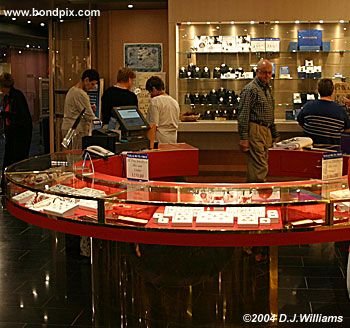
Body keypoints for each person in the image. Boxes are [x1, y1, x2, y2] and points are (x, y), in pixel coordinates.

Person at [237, 58, 279, 183]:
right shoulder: (251, 89)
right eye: (264, 72)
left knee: (261, 165)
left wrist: (274, 133)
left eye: (269, 73)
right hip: (256, 129)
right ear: (257, 72)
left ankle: (255, 193)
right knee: (259, 166)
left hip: (266, 131)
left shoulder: (267, 89)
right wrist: (244, 138)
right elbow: (243, 114)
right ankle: (257, 195)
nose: (267, 76)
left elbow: (270, 113)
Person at [0, 73, 32, 193]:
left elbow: (21, 117)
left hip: (19, 136)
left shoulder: (17, 96)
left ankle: (15, 187)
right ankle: (6, 187)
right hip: (12, 134)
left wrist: (5, 114)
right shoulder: (8, 97)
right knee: (8, 160)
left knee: (16, 161)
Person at [297, 78, 350, 147]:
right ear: (332, 90)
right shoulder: (340, 110)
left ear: (318, 90)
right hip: (332, 154)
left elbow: (300, 122)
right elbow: (347, 129)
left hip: (311, 152)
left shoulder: (308, 106)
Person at [61, 69, 100, 149]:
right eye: (92, 84)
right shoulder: (80, 94)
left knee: (71, 157)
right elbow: (90, 116)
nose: (92, 87)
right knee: (77, 157)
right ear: (86, 80)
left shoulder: (72, 90)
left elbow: (78, 109)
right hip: (77, 131)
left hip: (68, 128)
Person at [145, 76, 180, 144]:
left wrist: (150, 146)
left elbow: (153, 126)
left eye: (150, 92)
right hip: (173, 139)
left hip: (159, 140)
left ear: (154, 89)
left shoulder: (155, 101)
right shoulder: (174, 102)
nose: (150, 95)